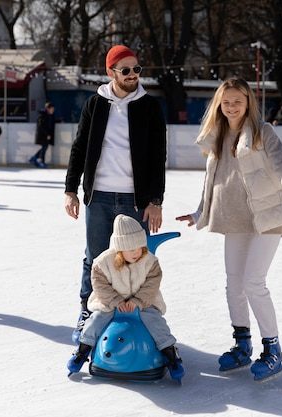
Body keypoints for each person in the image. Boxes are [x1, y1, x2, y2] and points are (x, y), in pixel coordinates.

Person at [175, 77, 282, 382]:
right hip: (234, 217)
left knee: (253, 282)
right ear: (219, 105)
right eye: (226, 102)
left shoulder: (263, 132)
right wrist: (200, 212)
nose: (232, 107)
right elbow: (214, 180)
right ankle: (242, 343)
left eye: (238, 101)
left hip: (266, 217)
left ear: (249, 102)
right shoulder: (217, 136)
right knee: (233, 284)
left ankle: (273, 349)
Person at [64, 44, 167, 344]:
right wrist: (71, 189)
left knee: (137, 260)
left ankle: (137, 316)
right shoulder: (95, 105)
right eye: (126, 70)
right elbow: (79, 148)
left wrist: (156, 200)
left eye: (137, 69)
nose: (133, 74)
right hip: (100, 197)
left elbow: (158, 156)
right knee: (94, 259)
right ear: (111, 72)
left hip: (136, 200)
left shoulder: (149, 107)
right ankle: (88, 311)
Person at [67, 214, 184, 381]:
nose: (137, 252)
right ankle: (82, 351)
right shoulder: (102, 262)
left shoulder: (150, 261)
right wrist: (115, 301)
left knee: (155, 322)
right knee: (95, 320)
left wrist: (137, 301)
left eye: (140, 247)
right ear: (120, 249)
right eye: (131, 249)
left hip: (143, 303)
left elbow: (152, 284)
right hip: (110, 303)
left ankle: (170, 355)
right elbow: (100, 285)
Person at [30, 102, 55, 169]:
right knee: (44, 147)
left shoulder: (49, 115)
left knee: (45, 147)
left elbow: (50, 122)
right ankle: (40, 161)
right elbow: (41, 125)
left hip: (46, 134)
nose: (53, 111)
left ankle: (35, 158)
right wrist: (47, 134)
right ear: (47, 109)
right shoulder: (42, 115)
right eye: (52, 109)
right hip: (42, 134)